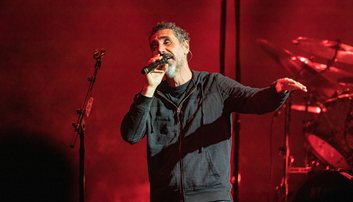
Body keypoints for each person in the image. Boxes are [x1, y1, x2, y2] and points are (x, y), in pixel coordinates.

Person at [120, 22, 307, 202]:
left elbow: (255, 101)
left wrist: (277, 90)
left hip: (212, 197)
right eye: (154, 45)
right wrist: (149, 88)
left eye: (166, 42)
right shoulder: (152, 96)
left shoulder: (215, 85)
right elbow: (131, 135)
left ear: (185, 46)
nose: (159, 49)